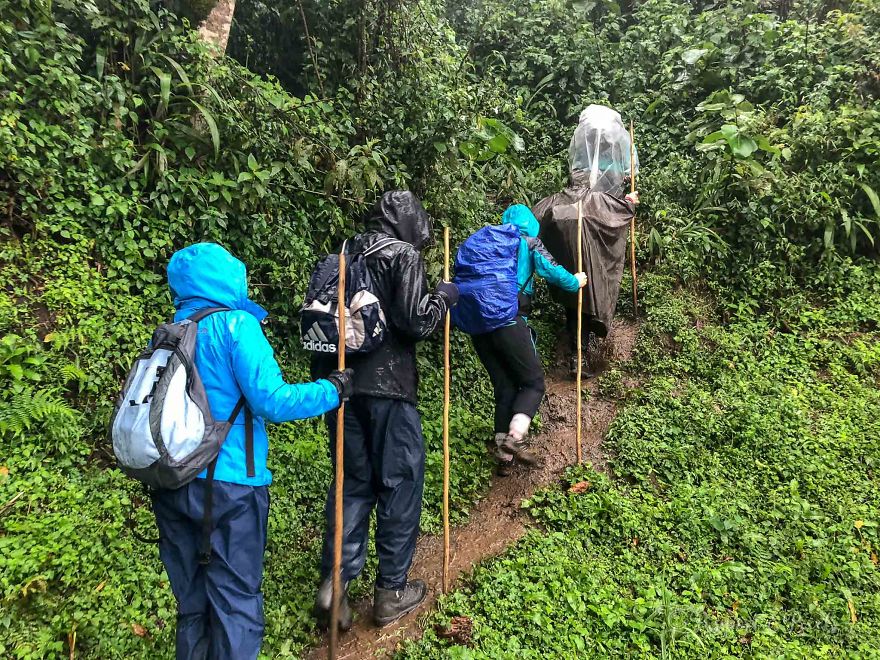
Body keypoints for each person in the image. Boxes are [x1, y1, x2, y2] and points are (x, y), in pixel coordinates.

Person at [150, 242, 352, 660]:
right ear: (228, 279)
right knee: (236, 603)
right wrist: (332, 390)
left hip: (172, 482)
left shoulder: (172, 331)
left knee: (193, 607)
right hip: (231, 490)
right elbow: (271, 400)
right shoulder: (236, 325)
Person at [310, 191, 459, 629]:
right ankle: (391, 590)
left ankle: (334, 585)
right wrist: (444, 297)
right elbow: (415, 323)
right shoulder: (402, 254)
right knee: (400, 482)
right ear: (408, 221)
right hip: (390, 389)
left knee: (352, 483)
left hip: (339, 387)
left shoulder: (341, 254)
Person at [470, 204, 587, 477]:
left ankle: (503, 457)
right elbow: (553, 271)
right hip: (509, 321)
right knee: (533, 383)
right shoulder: (528, 242)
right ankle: (515, 437)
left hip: (478, 328)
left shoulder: (488, 244)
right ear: (530, 223)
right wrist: (576, 281)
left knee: (505, 386)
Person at [532, 104, 640, 378]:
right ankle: (578, 356)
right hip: (592, 225)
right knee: (590, 285)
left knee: (576, 289)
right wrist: (628, 205)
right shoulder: (602, 178)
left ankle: (577, 350)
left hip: (575, 228)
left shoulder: (576, 178)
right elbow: (613, 206)